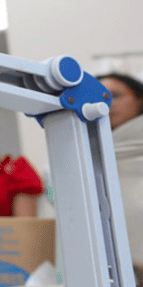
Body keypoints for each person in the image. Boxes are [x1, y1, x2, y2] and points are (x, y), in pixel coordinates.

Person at [97, 72, 143, 286]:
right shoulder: (82, 151)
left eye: (115, 95)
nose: (107, 103)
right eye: (99, 96)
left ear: (139, 98)